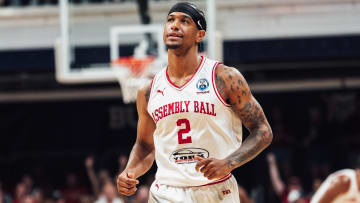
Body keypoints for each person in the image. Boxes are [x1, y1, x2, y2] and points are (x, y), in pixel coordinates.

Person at [116, 2, 273, 202]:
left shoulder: (224, 78)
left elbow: (263, 131)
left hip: (215, 189)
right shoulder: (148, 90)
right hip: (166, 191)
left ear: (200, 35)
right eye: (170, 20)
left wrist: (228, 163)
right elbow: (145, 146)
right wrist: (129, 172)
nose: (174, 25)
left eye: (185, 21)